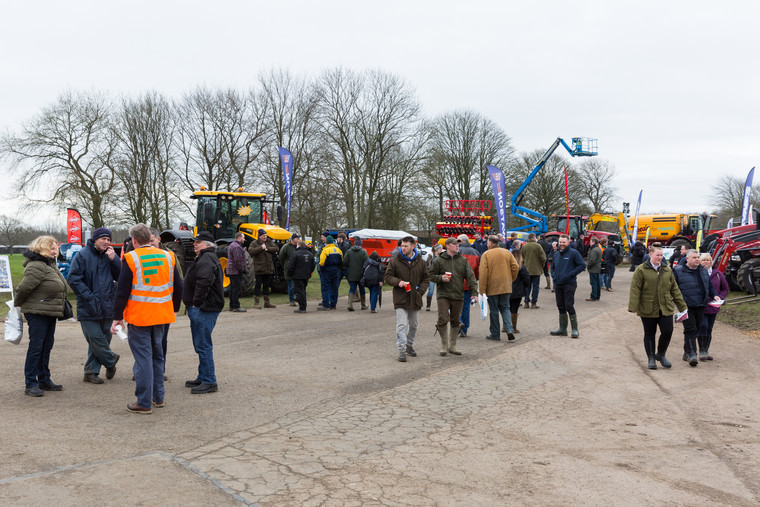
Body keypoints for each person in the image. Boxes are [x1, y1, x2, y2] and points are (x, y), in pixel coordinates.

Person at [112, 224, 183, 414]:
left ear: (134, 240)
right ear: (150, 237)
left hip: (140, 317)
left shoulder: (131, 258)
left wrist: (117, 317)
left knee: (143, 359)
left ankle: (143, 402)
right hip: (162, 315)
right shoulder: (168, 256)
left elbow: (122, 291)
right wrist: (175, 308)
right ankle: (158, 397)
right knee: (158, 357)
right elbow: (178, 285)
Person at [16, 236, 69, 397]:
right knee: (36, 348)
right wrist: (17, 304)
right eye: (51, 248)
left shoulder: (49, 264)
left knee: (46, 347)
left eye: (56, 248)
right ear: (42, 248)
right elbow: (23, 289)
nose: (55, 251)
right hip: (37, 313)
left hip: (48, 311)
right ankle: (31, 383)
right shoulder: (37, 265)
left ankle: (44, 380)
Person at [67, 227, 121, 385]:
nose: (106, 242)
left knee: (104, 338)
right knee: (96, 339)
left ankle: (91, 372)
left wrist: (115, 260)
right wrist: (89, 298)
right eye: (103, 239)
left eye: (108, 239)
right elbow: (74, 279)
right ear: (95, 239)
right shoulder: (82, 255)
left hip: (108, 306)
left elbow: (121, 277)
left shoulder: (110, 256)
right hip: (88, 305)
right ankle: (111, 361)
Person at [628, 244, 687, 369]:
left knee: (668, 331)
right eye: (657, 255)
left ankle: (660, 354)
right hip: (647, 307)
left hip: (665, 307)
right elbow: (635, 289)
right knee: (650, 333)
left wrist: (682, 306)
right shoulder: (641, 270)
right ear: (650, 254)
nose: (660, 257)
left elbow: (675, 289)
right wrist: (633, 306)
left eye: (661, 255)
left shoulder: (667, 270)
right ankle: (651, 358)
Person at [183, 231, 224, 393]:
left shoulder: (206, 259)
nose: (194, 244)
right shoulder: (205, 257)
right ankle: (203, 376)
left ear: (207, 245)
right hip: (203, 307)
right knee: (200, 344)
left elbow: (204, 282)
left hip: (204, 308)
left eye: (198, 242)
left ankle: (209, 381)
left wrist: (196, 303)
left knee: (203, 345)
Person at [384, 236, 430, 362]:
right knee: (401, 325)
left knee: (414, 325)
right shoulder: (394, 261)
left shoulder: (420, 262)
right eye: (401, 246)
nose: (403, 248)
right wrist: (398, 282)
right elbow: (387, 277)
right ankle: (402, 350)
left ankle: (410, 345)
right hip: (400, 298)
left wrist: (420, 291)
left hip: (415, 298)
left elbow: (426, 278)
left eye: (405, 246)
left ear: (412, 246)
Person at [430, 237, 478, 356]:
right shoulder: (439, 261)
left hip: (458, 294)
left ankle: (453, 346)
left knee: (456, 320)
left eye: (458, 244)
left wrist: (474, 293)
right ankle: (444, 345)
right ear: (448, 246)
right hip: (443, 295)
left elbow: (470, 276)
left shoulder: (462, 260)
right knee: (443, 319)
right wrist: (441, 278)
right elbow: (430, 275)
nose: (457, 246)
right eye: (455, 244)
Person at [673, 249, 719, 367]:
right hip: (686, 306)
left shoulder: (703, 271)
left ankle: (686, 351)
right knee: (690, 329)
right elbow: (673, 289)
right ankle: (692, 354)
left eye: (698, 257)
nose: (697, 259)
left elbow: (709, 286)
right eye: (694, 257)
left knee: (696, 329)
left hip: (700, 305)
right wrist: (677, 303)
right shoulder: (678, 271)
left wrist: (714, 295)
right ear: (687, 259)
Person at [150, 228, 181, 380]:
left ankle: (159, 370)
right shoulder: (135, 254)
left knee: (161, 340)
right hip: (144, 307)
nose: (149, 245)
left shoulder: (170, 256)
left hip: (164, 307)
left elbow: (178, 281)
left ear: (158, 240)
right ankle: (144, 369)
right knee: (144, 342)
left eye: (151, 241)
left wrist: (175, 307)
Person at [479, 235, 520, 341]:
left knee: (494, 310)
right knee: (506, 308)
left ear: (490, 243)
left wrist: (482, 289)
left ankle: (495, 333)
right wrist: (511, 279)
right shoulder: (507, 252)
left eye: (487, 242)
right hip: (506, 285)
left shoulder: (486, 254)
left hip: (492, 286)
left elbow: (483, 273)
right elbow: (515, 267)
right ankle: (509, 329)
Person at [550, 234, 586, 338]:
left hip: (569, 283)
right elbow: (552, 267)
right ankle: (562, 329)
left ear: (568, 242)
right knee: (560, 306)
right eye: (560, 242)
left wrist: (571, 274)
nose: (561, 244)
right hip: (558, 284)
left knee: (569, 305)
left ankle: (575, 329)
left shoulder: (573, 253)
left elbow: (582, 265)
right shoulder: (557, 254)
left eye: (564, 242)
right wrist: (554, 275)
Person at [697, 253, 729, 361]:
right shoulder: (697, 273)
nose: (706, 262)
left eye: (708, 260)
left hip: (713, 306)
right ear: (700, 262)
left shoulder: (717, 274)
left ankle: (706, 350)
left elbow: (725, 288)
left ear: (711, 261)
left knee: (709, 328)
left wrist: (720, 297)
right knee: (703, 326)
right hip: (701, 306)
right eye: (703, 260)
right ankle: (701, 350)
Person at [248, 229, 279, 310]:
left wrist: (267, 248)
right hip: (259, 269)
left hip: (268, 268)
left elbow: (276, 248)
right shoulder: (254, 243)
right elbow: (250, 251)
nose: (265, 237)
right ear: (259, 236)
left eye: (266, 235)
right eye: (263, 236)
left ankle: (267, 302)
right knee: (258, 285)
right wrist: (261, 248)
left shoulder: (269, 242)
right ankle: (256, 303)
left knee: (266, 285)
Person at [456, 234, 480, 337]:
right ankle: (464, 329)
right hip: (469, 283)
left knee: (455, 305)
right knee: (466, 307)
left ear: (461, 241)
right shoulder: (476, 252)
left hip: (457, 283)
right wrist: (475, 279)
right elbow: (478, 269)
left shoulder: (456, 252)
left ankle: (459, 322)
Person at [286, 240, 315, 313]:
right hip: (306, 275)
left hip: (297, 276)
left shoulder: (295, 254)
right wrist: (309, 272)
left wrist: (289, 273)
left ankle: (302, 307)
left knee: (300, 291)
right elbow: (313, 266)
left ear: (298, 245)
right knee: (303, 290)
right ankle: (302, 304)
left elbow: (290, 266)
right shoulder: (310, 254)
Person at [342, 236, 369, 311]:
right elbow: (367, 263)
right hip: (361, 275)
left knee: (352, 289)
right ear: (361, 244)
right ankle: (363, 305)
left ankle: (350, 305)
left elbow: (344, 262)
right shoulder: (364, 252)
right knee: (362, 289)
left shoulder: (349, 251)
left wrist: (349, 266)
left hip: (351, 274)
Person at [521, 233, 546, 309]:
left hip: (527, 269)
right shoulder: (538, 246)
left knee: (527, 287)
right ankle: (534, 303)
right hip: (536, 270)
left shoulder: (524, 246)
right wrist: (541, 266)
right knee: (535, 287)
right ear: (534, 237)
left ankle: (526, 302)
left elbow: (521, 258)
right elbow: (543, 258)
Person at [317, 236, 343, 310]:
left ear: (327, 242)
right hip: (335, 271)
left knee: (325, 288)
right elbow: (341, 261)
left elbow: (321, 262)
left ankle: (325, 305)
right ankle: (333, 304)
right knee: (334, 288)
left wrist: (322, 268)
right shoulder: (338, 250)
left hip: (326, 271)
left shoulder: (325, 250)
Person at [509, 247, 531, 335]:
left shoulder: (507, 265)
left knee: (507, 308)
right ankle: (513, 327)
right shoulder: (521, 267)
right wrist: (525, 286)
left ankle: (505, 326)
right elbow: (526, 279)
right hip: (517, 290)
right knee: (514, 309)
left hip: (507, 289)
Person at [226, 232, 248, 312]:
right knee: (236, 289)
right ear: (239, 238)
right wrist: (242, 269)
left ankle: (231, 306)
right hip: (236, 271)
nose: (244, 239)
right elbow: (238, 260)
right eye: (243, 237)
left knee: (232, 288)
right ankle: (236, 306)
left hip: (231, 271)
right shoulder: (237, 247)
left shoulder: (232, 245)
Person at [279, 233, 300, 307]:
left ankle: (297, 298)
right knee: (291, 285)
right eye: (297, 238)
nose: (298, 240)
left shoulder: (299, 246)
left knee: (298, 285)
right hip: (289, 268)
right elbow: (281, 257)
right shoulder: (286, 247)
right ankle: (291, 300)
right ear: (293, 239)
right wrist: (285, 266)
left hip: (297, 268)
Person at [425, 244, 443, 311]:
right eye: (440, 249)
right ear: (436, 250)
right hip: (432, 276)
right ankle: (428, 305)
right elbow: (427, 266)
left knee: (440, 292)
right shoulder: (431, 257)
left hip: (440, 276)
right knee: (430, 291)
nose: (441, 250)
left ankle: (441, 306)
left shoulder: (442, 257)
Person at [585, 236, 602, 302]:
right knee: (597, 283)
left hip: (593, 268)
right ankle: (597, 295)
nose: (590, 243)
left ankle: (593, 296)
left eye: (590, 241)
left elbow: (592, 260)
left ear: (593, 242)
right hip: (597, 268)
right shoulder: (598, 248)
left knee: (593, 283)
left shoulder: (594, 250)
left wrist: (588, 266)